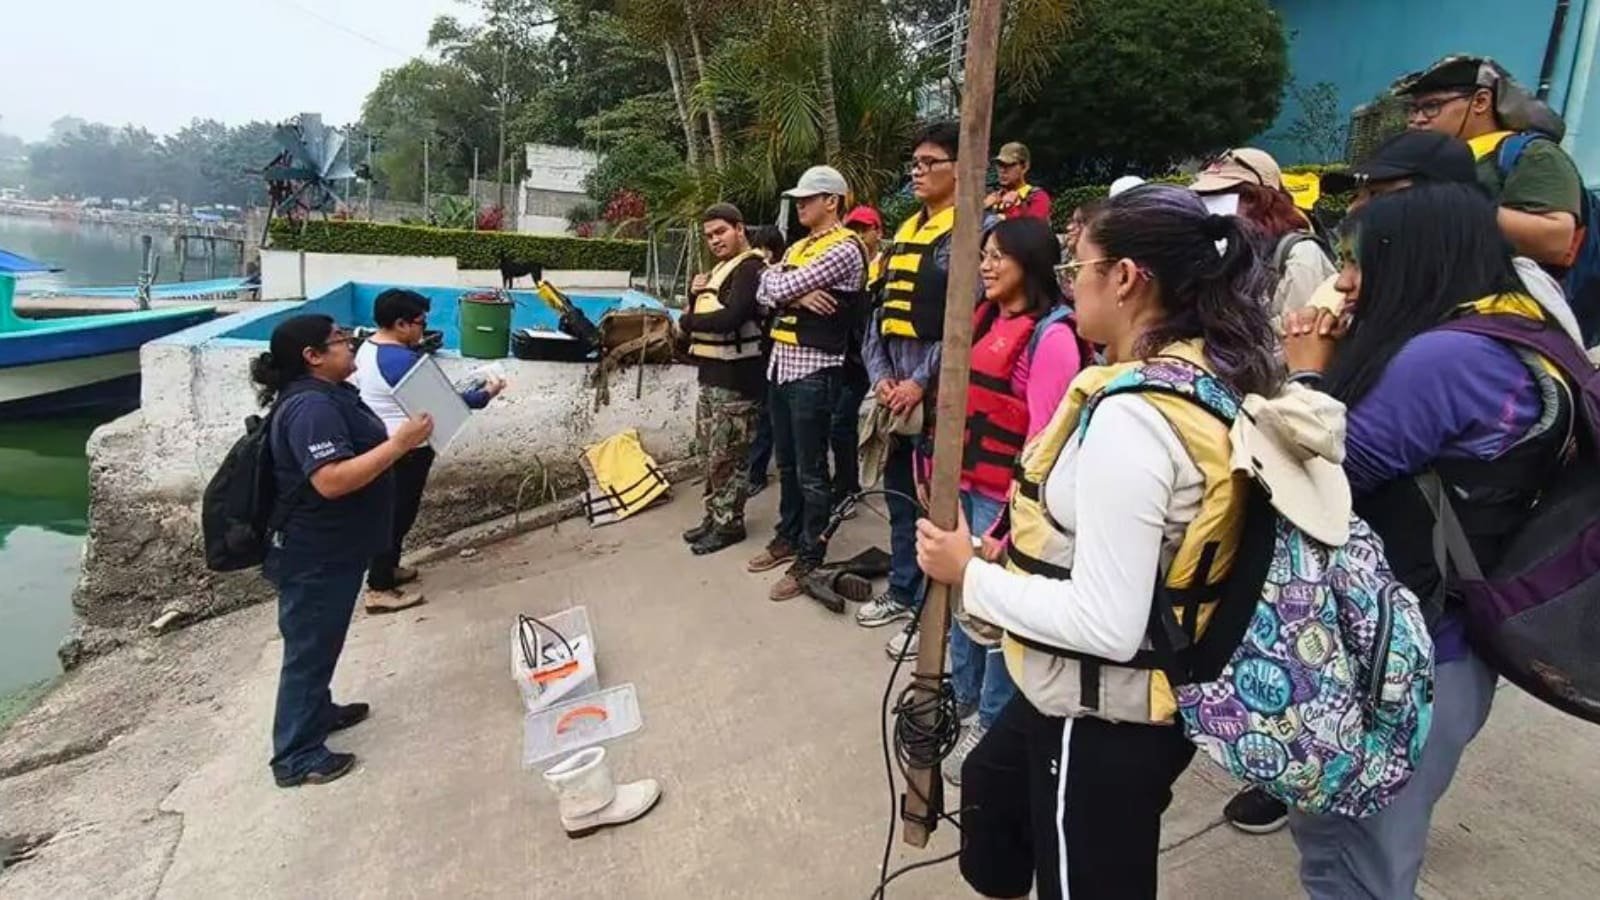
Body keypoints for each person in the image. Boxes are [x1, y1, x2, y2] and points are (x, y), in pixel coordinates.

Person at [916, 184, 1280, 899]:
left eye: (1079, 266)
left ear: (1125, 278)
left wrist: (969, 575)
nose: (1071, 283)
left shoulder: (1135, 419)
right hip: (1108, 684)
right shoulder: (1211, 369)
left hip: (1106, 706)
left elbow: (1108, 625)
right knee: (993, 785)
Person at [1278, 182, 1576, 899]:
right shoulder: (1517, 332)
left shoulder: (1444, 359)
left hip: (1412, 654)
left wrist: (1308, 371)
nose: (1345, 280)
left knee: (1359, 857)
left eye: (1360, 261)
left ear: (1415, 261)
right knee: (1355, 845)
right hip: (1449, 640)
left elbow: (1324, 478)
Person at [251, 314, 435, 787]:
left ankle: (318, 712)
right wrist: (399, 445)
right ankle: (296, 755)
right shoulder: (310, 408)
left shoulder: (330, 395)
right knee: (308, 648)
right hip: (315, 552)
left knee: (321, 640)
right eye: (338, 341)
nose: (350, 346)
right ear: (312, 356)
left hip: (335, 547)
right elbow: (330, 481)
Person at [943, 216, 1085, 786]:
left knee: (1000, 610)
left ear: (1032, 261)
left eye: (999, 255)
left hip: (1006, 497)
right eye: (984, 254)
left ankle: (993, 719)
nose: (987, 264)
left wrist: (1006, 521)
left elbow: (1046, 442)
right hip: (964, 483)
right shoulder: (978, 318)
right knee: (959, 598)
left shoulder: (1052, 338)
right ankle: (964, 697)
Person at [861, 121, 959, 653]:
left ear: (960, 169)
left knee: (935, 509)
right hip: (893, 386)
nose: (917, 172)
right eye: (914, 164)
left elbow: (964, 322)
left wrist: (920, 384)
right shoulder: (903, 229)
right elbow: (876, 314)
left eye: (929, 163)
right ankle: (903, 588)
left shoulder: (972, 232)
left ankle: (933, 612)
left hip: (939, 395)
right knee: (898, 496)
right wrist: (882, 378)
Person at [749, 165, 868, 601]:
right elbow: (763, 288)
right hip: (783, 366)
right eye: (798, 198)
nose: (800, 204)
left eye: (808, 198)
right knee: (789, 465)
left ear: (831, 201)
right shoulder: (801, 245)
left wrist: (784, 287)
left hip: (815, 370)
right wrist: (793, 293)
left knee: (813, 472)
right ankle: (788, 534)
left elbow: (778, 282)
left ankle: (809, 556)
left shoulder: (844, 247)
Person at [352, 289, 503, 613]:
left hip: (391, 445)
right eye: (420, 322)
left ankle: (389, 570)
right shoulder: (400, 360)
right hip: (405, 450)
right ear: (401, 324)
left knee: (394, 515)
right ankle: (378, 589)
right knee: (395, 518)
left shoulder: (370, 347)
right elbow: (447, 404)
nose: (424, 328)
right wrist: (488, 391)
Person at [1395, 55, 1584, 273]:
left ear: (1480, 101)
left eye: (1432, 106)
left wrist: (1449, 207)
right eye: (1414, 109)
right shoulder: (1428, 164)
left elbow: (1556, 241)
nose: (1418, 119)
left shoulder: (1533, 153)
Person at [679, 203, 768, 555]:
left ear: (739, 229)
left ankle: (730, 523)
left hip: (739, 379)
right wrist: (692, 296)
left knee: (730, 456)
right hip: (712, 374)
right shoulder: (719, 270)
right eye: (709, 236)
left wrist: (686, 321)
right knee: (710, 454)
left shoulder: (750, 268)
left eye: (721, 232)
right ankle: (715, 516)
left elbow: (732, 317)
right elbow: (705, 308)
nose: (715, 240)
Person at [1192, 147, 1336, 320]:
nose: (1208, 206)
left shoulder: (1301, 256)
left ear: (1254, 200)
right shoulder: (1227, 250)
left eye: (1218, 195)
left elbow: (1300, 337)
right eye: (1203, 195)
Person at [742, 224, 788, 496]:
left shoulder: (779, 277)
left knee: (765, 418)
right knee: (762, 416)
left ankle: (756, 473)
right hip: (762, 355)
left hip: (774, 356)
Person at [986, 142, 1051, 222]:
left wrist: (1009, 207)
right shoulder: (993, 198)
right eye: (1000, 164)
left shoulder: (1037, 197)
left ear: (1024, 167)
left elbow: (1032, 229)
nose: (1002, 170)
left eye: (1009, 165)